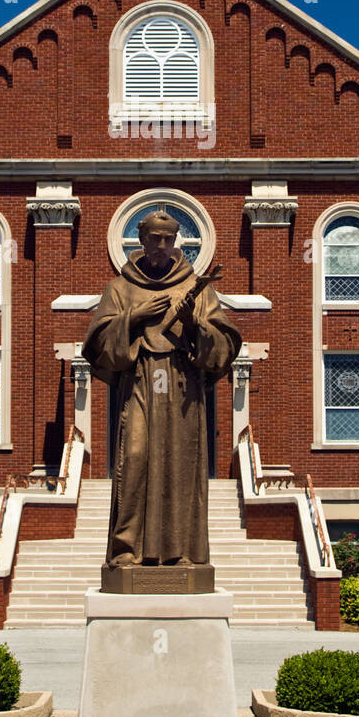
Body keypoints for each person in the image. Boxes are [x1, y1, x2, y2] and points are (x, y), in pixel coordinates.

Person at [82, 211, 241, 568]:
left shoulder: (196, 287)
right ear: (142, 239)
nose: (162, 245)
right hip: (138, 380)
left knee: (181, 467)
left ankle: (182, 553)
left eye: (169, 239)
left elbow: (224, 345)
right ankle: (127, 553)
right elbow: (96, 345)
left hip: (182, 389)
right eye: (155, 238)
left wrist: (193, 324)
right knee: (134, 459)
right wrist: (133, 317)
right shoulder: (120, 288)